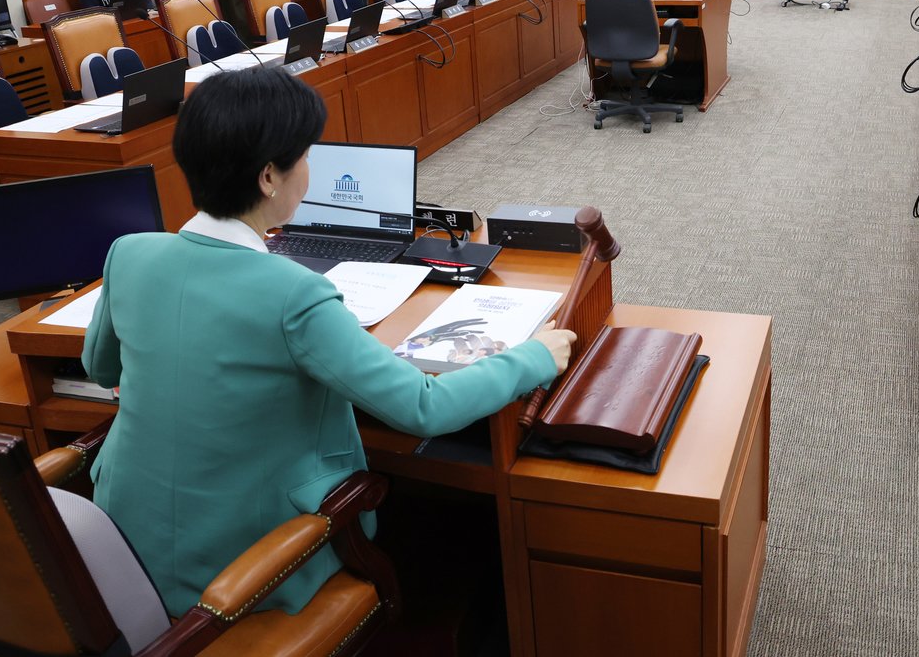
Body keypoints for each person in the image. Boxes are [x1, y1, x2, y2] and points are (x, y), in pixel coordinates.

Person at [81, 65, 575, 618]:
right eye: (306, 155)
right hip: (246, 567)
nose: (310, 170)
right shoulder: (295, 293)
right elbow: (423, 407)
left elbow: (100, 368)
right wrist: (533, 356)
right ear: (269, 177)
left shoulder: (130, 253)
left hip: (122, 546)